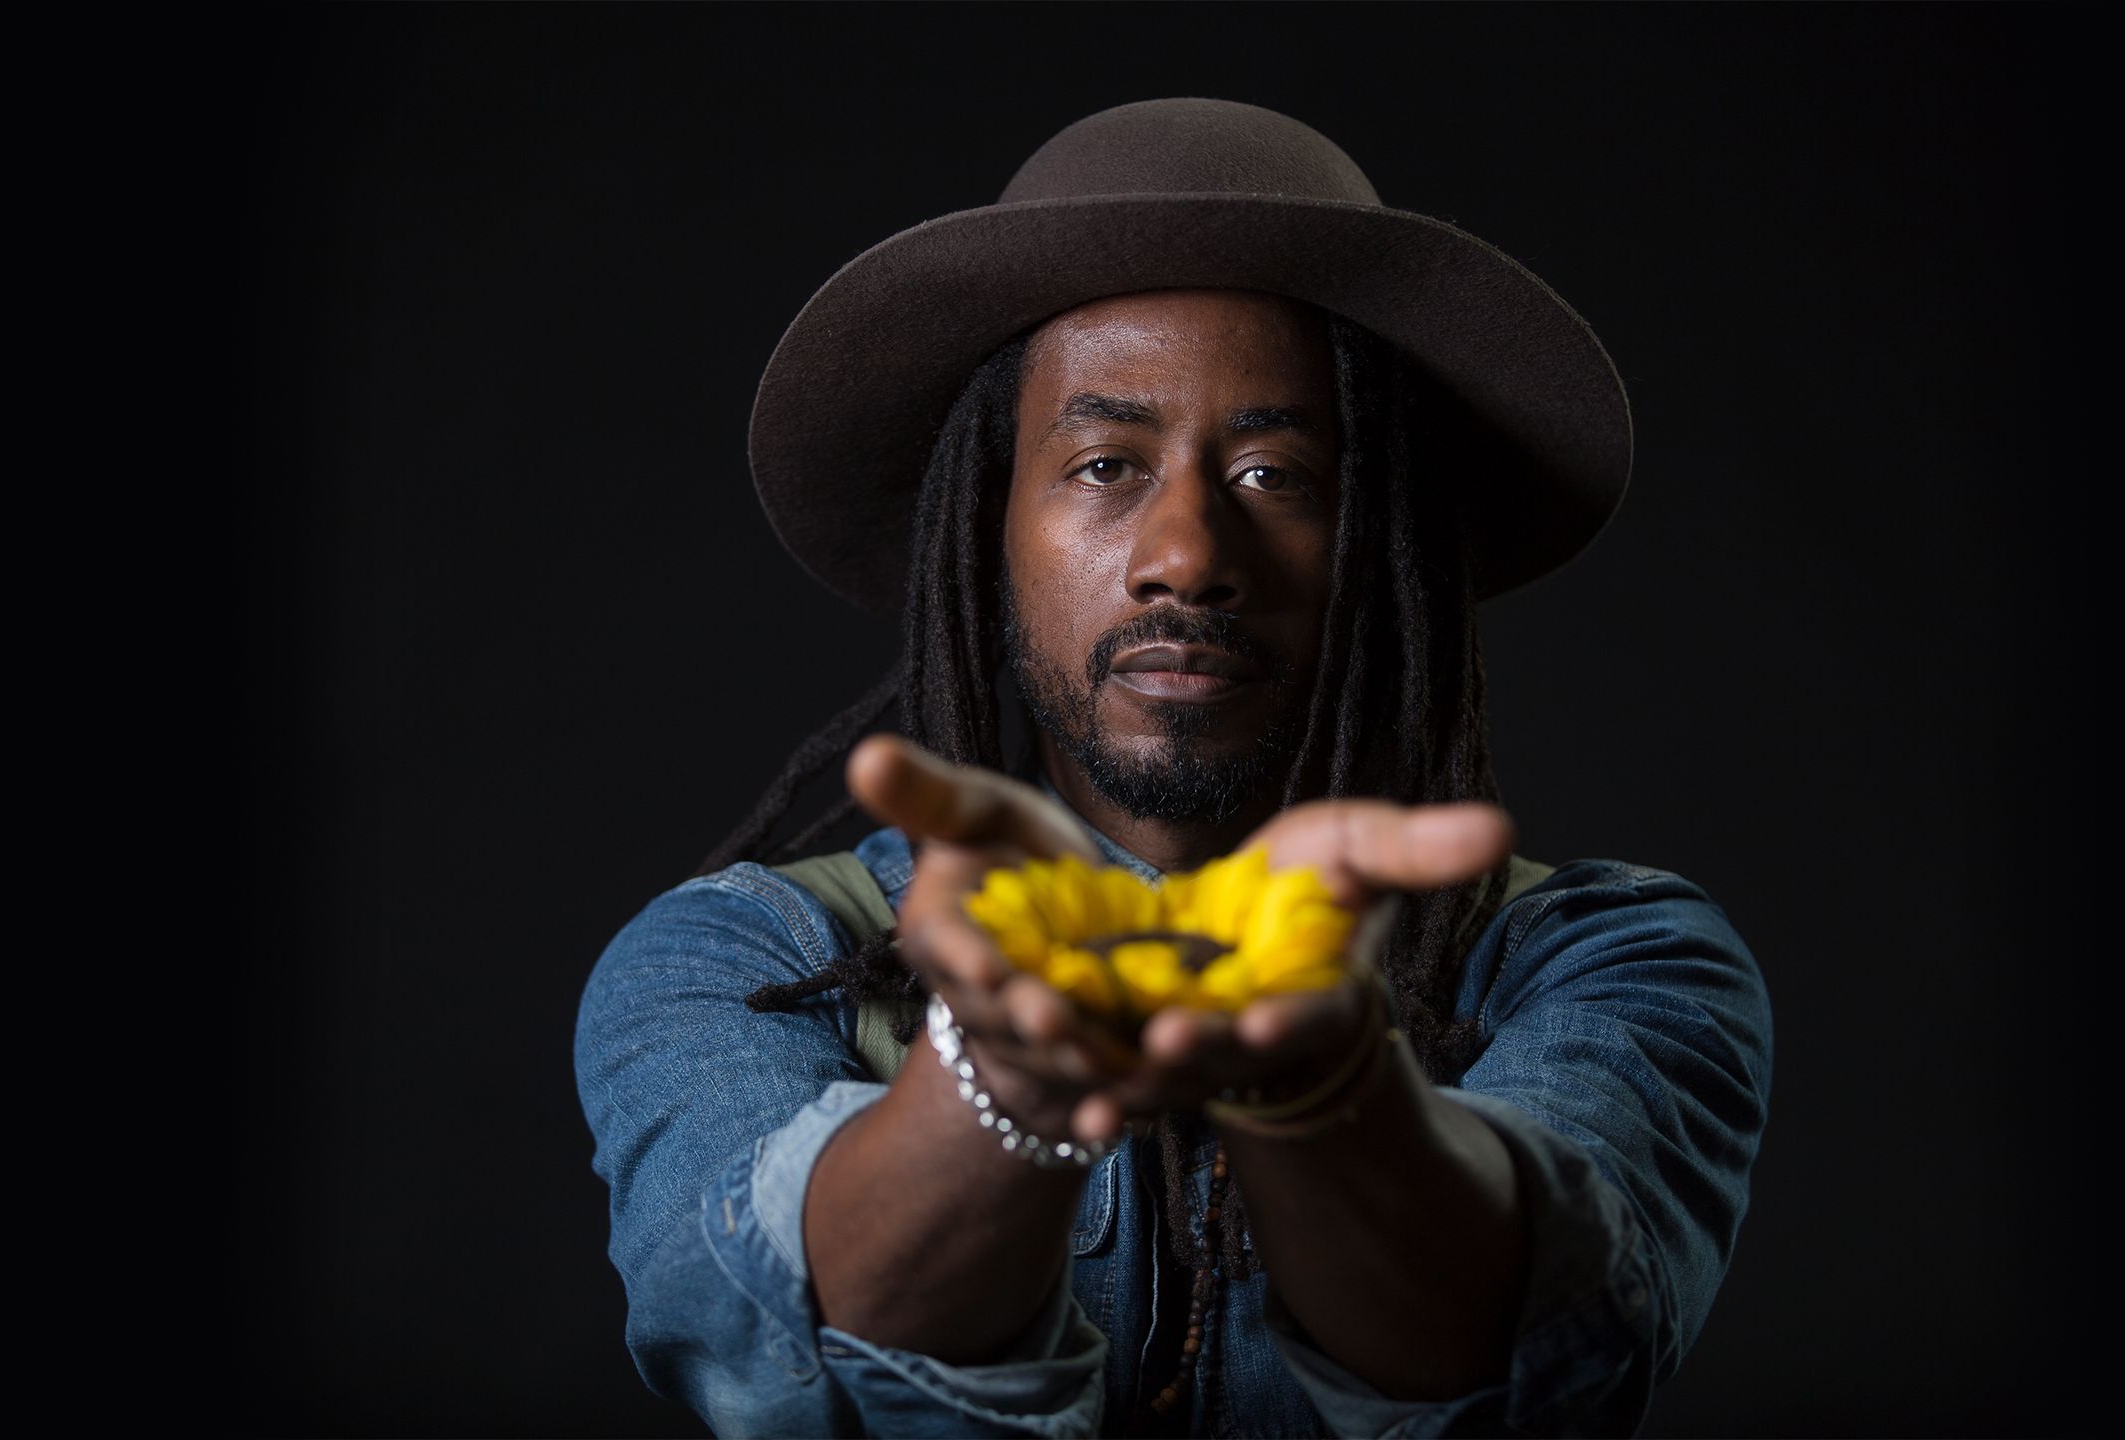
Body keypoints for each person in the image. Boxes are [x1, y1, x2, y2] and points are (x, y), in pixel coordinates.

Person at [574, 98, 1771, 1438]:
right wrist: (1003, 1075)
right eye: (1105, 464)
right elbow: (789, 1370)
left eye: (1275, 474)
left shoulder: (1611, 963)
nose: (1188, 556)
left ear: (1382, 547)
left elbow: (1526, 1361)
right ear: (989, 532)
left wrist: (1321, 1090)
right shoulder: (733, 961)